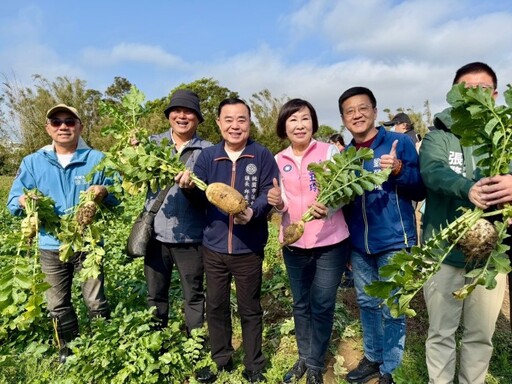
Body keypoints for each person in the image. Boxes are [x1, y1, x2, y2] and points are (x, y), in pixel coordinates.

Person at [177, 98, 279, 383]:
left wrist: (254, 212)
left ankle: (254, 365)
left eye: (241, 119)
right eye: (229, 120)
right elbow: (200, 199)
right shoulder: (208, 157)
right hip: (214, 248)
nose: (235, 126)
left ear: (249, 122)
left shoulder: (261, 155)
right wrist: (187, 188)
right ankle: (222, 359)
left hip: (249, 248)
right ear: (219, 123)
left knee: (250, 308)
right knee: (217, 306)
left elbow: (268, 195)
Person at [7, 104, 118, 363]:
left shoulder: (97, 159)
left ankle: (103, 349)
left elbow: (118, 196)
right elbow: (13, 199)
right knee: (57, 304)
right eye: (56, 122)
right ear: (48, 128)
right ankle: (68, 350)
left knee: (95, 301)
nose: (63, 126)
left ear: (80, 126)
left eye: (69, 121)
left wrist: (104, 192)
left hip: (88, 243)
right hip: (50, 243)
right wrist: (25, 201)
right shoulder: (33, 162)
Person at [419, 61, 508, 384]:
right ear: (455, 93)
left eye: (483, 90)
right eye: (466, 90)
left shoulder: (504, 140)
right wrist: (467, 188)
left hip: (489, 257)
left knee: (480, 335)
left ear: (495, 95)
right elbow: (432, 171)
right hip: (443, 252)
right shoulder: (439, 136)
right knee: (441, 332)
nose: (474, 96)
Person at [337, 87, 425, 384]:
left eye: (363, 108)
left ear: (374, 111)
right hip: (360, 245)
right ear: (343, 119)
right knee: (366, 302)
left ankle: (392, 367)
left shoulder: (399, 143)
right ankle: (373, 358)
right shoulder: (347, 156)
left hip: (395, 240)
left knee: (393, 305)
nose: (357, 115)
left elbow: (420, 189)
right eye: (350, 111)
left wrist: (399, 169)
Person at [267, 99, 350, 384]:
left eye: (304, 118)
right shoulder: (277, 160)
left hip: (330, 242)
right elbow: (282, 204)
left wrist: (333, 205)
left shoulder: (329, 152)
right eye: (293, 120)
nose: (299, 125)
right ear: (284, 127)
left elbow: (346, 191)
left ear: (313, 122)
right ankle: (304, 355)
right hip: (294, 243)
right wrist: (277, 205)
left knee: (323, 303)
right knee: (301, 304)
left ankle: (315, 363)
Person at [143, 89, 211, 335]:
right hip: (156, 234)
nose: (182, 116)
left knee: (193, 294)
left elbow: (212, 195)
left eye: (189, 112)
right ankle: (156, 341)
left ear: (198, 118)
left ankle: (195, 340)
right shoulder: (150, 146)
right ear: (169, 115)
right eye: (177, 111)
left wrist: (194, 189)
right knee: (155, 293)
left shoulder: (209, 150)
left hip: (191, 237)